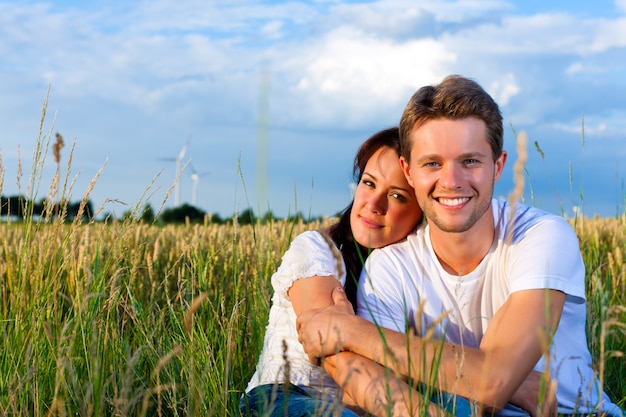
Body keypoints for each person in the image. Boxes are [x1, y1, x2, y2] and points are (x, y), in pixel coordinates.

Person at [296, 75, 625, 417]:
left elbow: (493, 382)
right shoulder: (390, 267)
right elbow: (382, 395)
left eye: (469, 161)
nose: (451, 182)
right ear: (408, 171)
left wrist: (350, 331)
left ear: (497, 166)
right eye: (433, 163)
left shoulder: (541, 237)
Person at [241, 127, 442, 417]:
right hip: (286, 396)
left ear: (423, 211)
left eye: (397, 196)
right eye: (369, 183)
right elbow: (328, 347)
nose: (373, 205)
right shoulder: (317, 249)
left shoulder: (409, 270)